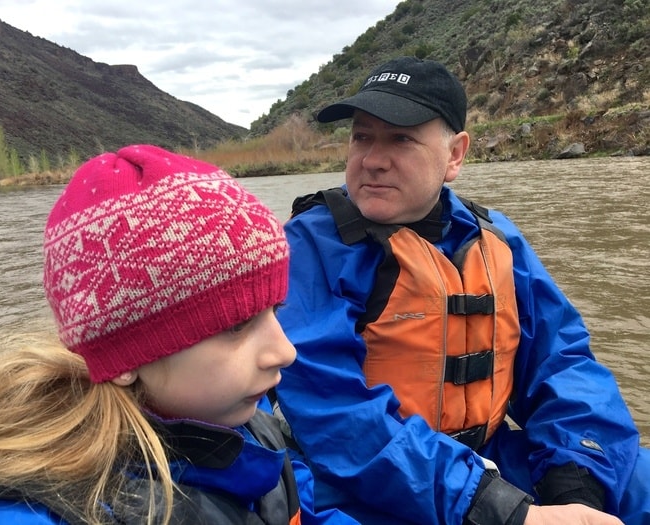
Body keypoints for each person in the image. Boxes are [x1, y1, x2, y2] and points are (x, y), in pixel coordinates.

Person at [273, 57, 650, 525]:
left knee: (630, 480)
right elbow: (336, 418)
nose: (372, 159)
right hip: (354, 485)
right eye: (362, 136)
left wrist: (576, 489)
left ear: (454, 155)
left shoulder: (497, 239)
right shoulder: (311, 246)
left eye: (401, 138)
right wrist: (496, 509)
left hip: (486, 460)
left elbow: (563, 364)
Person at [0, 144, 359, 524]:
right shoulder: (22, 513)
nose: (285, 352)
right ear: (126, 357)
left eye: (275, 310)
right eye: (236, 326)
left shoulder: (247, 429)